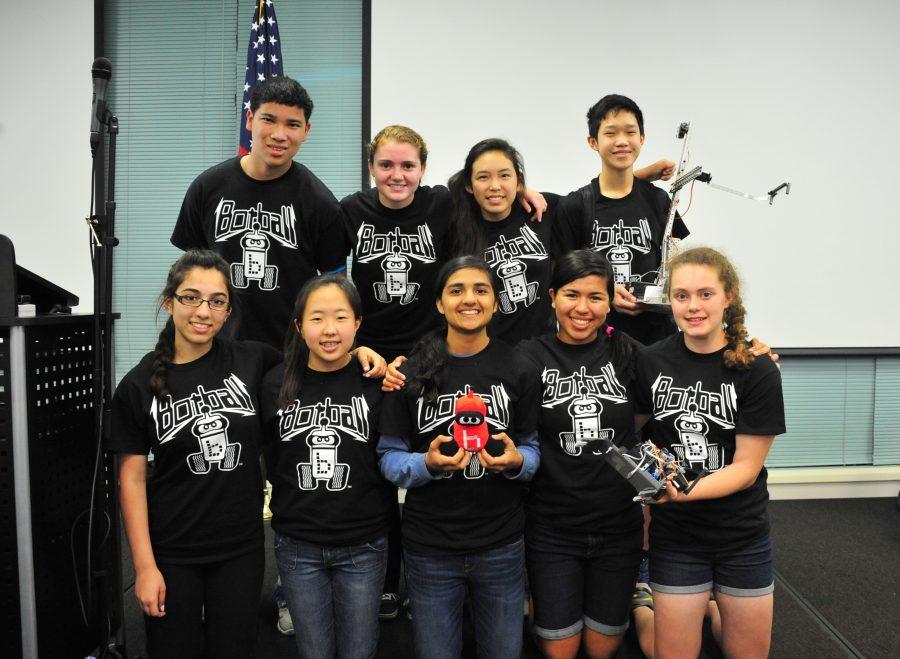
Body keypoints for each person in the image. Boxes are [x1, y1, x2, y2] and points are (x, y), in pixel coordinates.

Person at [342, 125, 546, 618]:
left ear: (424, 171)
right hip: (377, 358)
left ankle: (505, 577)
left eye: (408, 165)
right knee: (382, 466)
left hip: (430, 350)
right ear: (371, 167)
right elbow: (331, 278)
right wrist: (355, 346)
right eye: (386, 165)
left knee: (481, 454)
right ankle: (392, 582)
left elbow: (485, 184)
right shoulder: (351, 210)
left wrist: (525, 187)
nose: (397, 174)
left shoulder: (439, 203)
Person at [109, 250, 282, 657]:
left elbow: (317, 364)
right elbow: (131, 480)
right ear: (169, 302)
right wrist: (145, 567)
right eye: (191, 297)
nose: (203, 311)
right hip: (172, 551)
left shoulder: (253, 359)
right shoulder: (138, 385)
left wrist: (362, 354)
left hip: (240, 547)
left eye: (217, 301)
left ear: (227, 310)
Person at [377, 255, 541, 658]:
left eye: (481, 290)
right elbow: (389, 458)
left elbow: (534, 450)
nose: (470, 299)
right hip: (429, 546)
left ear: (496, 303)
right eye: (457, 290)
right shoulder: (410, 372)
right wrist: (426, 466)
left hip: (501, 544)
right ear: (439, 304)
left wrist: (516, 462)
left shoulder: (519, 366)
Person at [633, 247, 785, 659]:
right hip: (677, 537)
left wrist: (679, 493)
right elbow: (631, 433)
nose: (693, 306)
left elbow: (746, 470)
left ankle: (712, 605)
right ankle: (642, 606)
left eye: (705, 294)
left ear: (728, 297)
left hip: (741, 535)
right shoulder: (650, 361)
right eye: (681, 296)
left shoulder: (756, 368)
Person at [517, 249, 644, 659]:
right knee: (561, 648)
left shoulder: (630, 354)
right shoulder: (528, 356)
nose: (583, 308)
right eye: (572, 295)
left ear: (610, 302)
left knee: (602, 647)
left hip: (617, 527)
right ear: (552, 297)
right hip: (552, 528)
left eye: (596, 297)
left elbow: (693, 361)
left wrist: (750, 351)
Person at [260, 275, 394, 659]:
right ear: (300, 326)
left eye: (341, 317)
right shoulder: (274, 383)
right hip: (298, 544)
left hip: (364, 543)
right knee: (314, 651)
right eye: (317, 319)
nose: (330, 330)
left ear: (357, 324)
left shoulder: (377, 382)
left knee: (359, 650)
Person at [171, 76, 349, 350]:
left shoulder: (321, 203)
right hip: (215, 349)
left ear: (306, 131)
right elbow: (190, 275)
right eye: (269, 119)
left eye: (292, 124)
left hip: (288, 356)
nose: (279, 134)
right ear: (250, 120)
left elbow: (335, 291)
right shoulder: (207, 187)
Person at [554, 94, 688, 346]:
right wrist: (604, 293)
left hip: (657, 341)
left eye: (630, 132)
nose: (622, 142)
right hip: (595, 344)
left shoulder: (659, 200)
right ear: (593, 142)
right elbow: (562, 274)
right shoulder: (575, 205)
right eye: (611, 133)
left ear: (642, 139)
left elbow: (676, 265)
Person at [449, 139, 557, 346]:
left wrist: (522, 190)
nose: (495, 186)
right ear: (469, 186)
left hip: (542, 352)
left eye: (505, 175)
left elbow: (611, 189)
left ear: (519, 181)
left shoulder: (542, 210)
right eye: (483, 177)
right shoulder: (456, 224)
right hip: (485, 355)